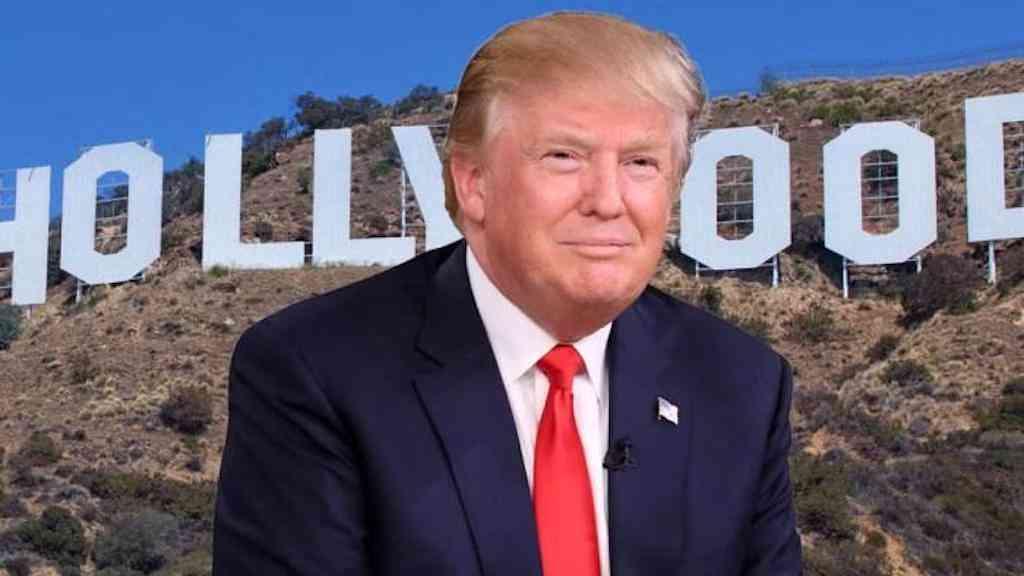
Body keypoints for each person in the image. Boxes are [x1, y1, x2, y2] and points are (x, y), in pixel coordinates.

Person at [213, 11, 802, 575]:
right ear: (474, 183)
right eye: (564, 157)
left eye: (641, 163)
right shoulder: (314, 371)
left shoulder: (740, 384)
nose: (607, 200)